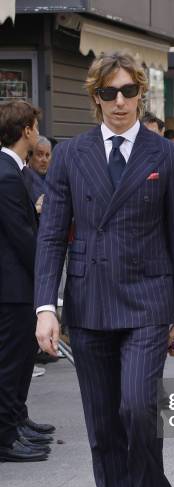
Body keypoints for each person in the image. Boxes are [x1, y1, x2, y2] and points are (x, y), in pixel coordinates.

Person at [35, 51, 174, 487]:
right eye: (110, 93)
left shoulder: (166, 156)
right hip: (88, 304)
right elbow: (50, 236)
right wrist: (45, 306)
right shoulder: (69, 154)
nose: (120, 101)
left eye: (129, 92)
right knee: (103, 424)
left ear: (141, 94)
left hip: (149, 300)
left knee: (136, 405)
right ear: (95, 97)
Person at [0, 101, 53, 463]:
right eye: (35, 126)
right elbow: (21, 236)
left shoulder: (11, 169)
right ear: (27, 131)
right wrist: (47, 274)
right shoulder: (6, 173)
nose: (37, 133)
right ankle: (6, 435)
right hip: (13, 288)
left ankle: (17, 422)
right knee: (11, 363)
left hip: (16, 286)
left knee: (19, 363)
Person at [26, 135, 52, 211]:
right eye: (40, 154)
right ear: (30, 156)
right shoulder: (25, 179)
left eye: (47, 155)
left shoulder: (54, 179)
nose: (44, 160)